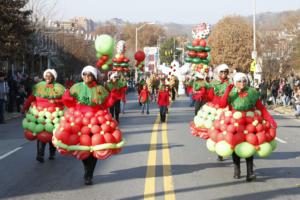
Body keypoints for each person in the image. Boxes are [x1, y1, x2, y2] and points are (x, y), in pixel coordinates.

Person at [53, 65, 124, 185]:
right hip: (80, 120)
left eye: (89, 74)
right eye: (84, 74)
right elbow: (68, 99)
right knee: (84, 146)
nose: (86, 76)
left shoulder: (100, 89)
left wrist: (113, 92)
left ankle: (89, 174)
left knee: (94, 148)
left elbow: (107, 102)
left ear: (94, 77)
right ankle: (87, 171)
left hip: (96, 120)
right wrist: (71, 102)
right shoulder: (77, 87)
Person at [217, 73, 277, 181]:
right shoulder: (231, 93)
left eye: (244, 81)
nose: (242, 83)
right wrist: (227, 91)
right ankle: (237, 170)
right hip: (235, 121)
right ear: (235, 82)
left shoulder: (252, 92)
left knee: (251, 143)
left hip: (250, 121)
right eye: (239, 81)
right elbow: (222, 104)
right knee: (235, 145)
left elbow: (261, 107)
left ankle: (250, 173)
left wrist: (270, 119)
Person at [22, 69, 65, 162]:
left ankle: (52, 153)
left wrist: (56, 101)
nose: (48, 78)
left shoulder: (58, 88)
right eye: (46, 75)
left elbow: (65, 100)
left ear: (54, 77)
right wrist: (24, 107)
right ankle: (40, 154)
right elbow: (31, 98)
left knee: (53, 134)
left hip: (54, 115)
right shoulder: (39, 87)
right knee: (41, 133)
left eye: (50, 76)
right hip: (40, 114)